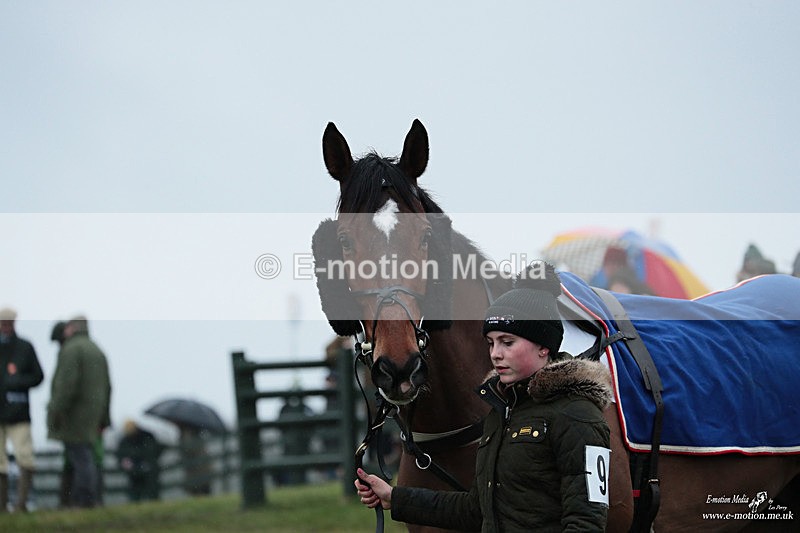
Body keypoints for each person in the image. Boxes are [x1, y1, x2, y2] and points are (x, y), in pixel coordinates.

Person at [355, 262, 612, 532]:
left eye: (507, 342)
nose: (495, 354)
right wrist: (393, 497)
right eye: (491, 343)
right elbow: (477, 509)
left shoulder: (578, 415)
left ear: (543, 346)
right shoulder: (500, 415)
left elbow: (587, 523)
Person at [47, 316, 112, 508]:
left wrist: (55, 410)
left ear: (71, 328)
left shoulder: (71, 350)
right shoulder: (97, 350)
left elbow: (66, 385)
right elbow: (108, 387)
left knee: (80, 458)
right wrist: (104, 419)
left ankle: (83, 500)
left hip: (75, 414)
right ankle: (89, 499)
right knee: (88, 457)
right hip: (94, 414)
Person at [0, 307, 44, 512]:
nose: (6, 327)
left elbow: (38, 377)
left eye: (9, 323)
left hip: (18, 414)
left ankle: (21, 503)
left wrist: (17, 382)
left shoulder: (25, 347)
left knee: (24, 457)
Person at [116, 419, 163, 502]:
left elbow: (154, 451)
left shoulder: (146, 437)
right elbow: (121, 457)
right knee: (136, 492)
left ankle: (152, 503)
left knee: (151, 491)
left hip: (148, 469)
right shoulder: (125, 441)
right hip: (135, 471)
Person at [178, 425, 213, 496]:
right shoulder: (197, 435)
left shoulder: (189, 436)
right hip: (199, 471)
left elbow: (189, 450)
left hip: (198, 471)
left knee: (200, 490)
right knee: (201, 491)